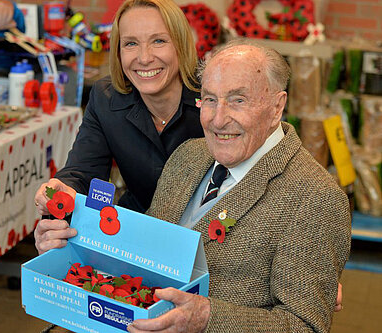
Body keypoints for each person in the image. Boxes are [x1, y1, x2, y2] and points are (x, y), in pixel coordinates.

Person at [126, 40, 351, 332]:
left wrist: (207, 319)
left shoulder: (315, 198)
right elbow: (147, 248)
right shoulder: (188, 155)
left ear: (276, 107)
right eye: (209, 99)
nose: (218, 120)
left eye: (238, 100)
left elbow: (304, 326)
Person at [34, 0, 204, 227]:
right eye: (131, 43)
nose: (144, 58)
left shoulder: (212, 96)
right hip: (134, 224)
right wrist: (61, 190)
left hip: (206, 234)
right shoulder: (107, 98)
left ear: (181, 45)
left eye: (159, 41)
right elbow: (83, 172)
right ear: (118, 51)